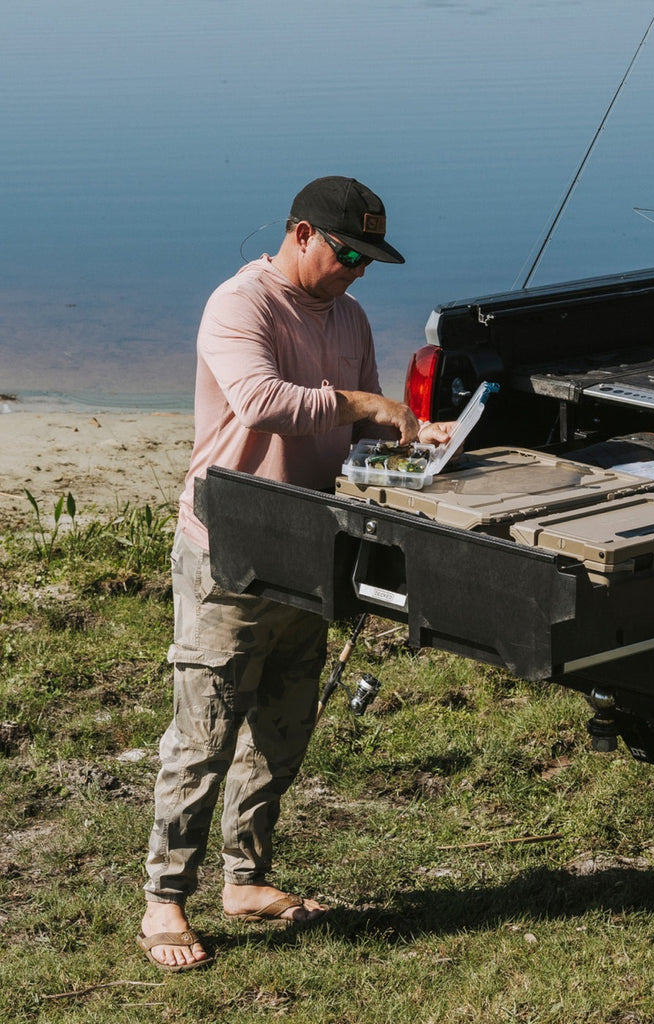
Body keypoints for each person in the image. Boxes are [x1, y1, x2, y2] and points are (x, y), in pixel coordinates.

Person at [137, 176, 453, 971]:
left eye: (369, 260)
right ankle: (164, 900)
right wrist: (365, 404)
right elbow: (263, 402)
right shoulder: (239, 303)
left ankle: (245, 880)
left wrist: (412, 439)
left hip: (312, 546)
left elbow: (357, 426)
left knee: (282, 729)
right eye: (348, 253)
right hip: (231, 546)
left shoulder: (346, 314)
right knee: (203, 733)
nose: (356, 271)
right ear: (303, 232)